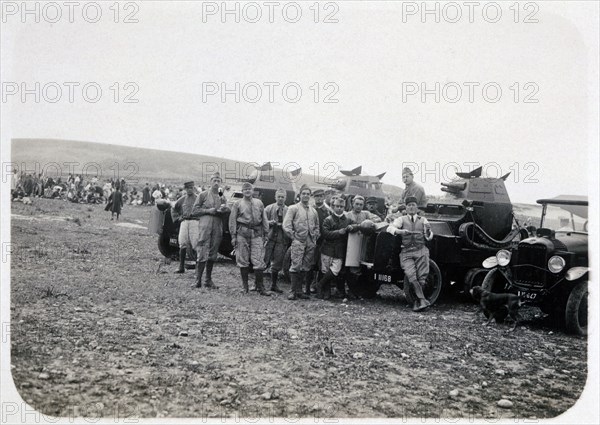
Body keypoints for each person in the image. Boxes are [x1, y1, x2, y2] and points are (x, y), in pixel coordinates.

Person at [387, 196, 434, 312]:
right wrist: (399, 231)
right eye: (409, 205)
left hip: (421, 251)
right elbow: (389, 228)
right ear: (406, 208)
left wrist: (428, 232)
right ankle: (422, 300)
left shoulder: (423, 220)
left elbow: (429, 236)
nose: (411, 207)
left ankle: (417, 302)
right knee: (411, 275)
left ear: (417, 207)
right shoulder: (401, 219)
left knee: (422, 278)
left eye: (413, 205)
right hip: (406, 252)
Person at [229, 182, 271, 296]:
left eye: (249, 189)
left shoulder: (259, 203)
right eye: (245, 189)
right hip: (242, 233)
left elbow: (264, 219)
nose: (247, 191)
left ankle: (260, 286)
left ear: (253, 191)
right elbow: (232, 220)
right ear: (242, 191)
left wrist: (266, 233)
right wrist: (233, 236)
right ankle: (245, 287)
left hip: (257, 233)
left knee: (258, 260)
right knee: (243, 260)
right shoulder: (238, 204)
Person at [191, 172, 230, 289]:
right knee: (202, 249)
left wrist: (225, 209)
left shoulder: (221, 195)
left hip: (217, 225)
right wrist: (208, 211)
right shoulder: (203, 195)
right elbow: (194, 211)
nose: (216, 183)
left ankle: (208, 280)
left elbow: (226, 208)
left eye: (219, 181)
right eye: (214, 180)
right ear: (210, 181)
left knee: (213, 251)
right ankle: (198, 280)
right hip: (205, 224)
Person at [282, 184, 320, 300]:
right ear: (300, 195)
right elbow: (286, 225)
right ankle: (292, 291)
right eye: (304, 194)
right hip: (298, 240)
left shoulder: (313, 211)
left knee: (306, 266)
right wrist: (293, 237)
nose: (306, 196)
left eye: (308, 194)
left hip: (310, 241)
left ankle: (299, 291)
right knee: (296, 265)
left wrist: (315, 237)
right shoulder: (293, 208)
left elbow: (317, 225)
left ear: (310, 196)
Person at [343, 195, 382, 298]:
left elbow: (378, 220)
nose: (359, 206)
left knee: (361, 267)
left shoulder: (366, 214)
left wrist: (367, 224)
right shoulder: (347, 215)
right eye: (357, 204)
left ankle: (360, 291)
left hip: (363, 244)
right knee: (351, 267)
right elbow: (347, 227)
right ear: (352, 203)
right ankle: (350, 290)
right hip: (349, 244)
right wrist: (360, 226)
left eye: (361, 204)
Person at [316, 197, 352, 300]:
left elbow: (355, 225)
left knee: (335, 270)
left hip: (339, 251)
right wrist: (338, 232)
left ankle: (320, 284)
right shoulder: (328, 219)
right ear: (333, 206)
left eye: (341, 207)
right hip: (327, 249)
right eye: (337, 206)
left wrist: (353, 227)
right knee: (325, 270)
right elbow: (325, 233)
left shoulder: (347, 220)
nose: (339, 209)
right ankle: (326, 292)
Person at [263, 188, 290, 293]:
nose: (280, 199)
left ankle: (274, 285)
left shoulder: (288, 210)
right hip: (269, 238)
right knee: (264, 260)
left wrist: (284, 226)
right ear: (275, 197)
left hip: (281, 239)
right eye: (278, 196)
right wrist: (270, 222)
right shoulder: (269, 208)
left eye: (282, 197)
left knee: (277, 263)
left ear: (285, 198)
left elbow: (290, 223)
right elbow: (263, 220)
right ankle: (258, 284)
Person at [306, 188, 330, 295]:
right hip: (312, 240)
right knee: (310, 263)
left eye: (321, 196)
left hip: (323, 241)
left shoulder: (328, 211)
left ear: (324, 197)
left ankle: (317, 285)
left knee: (321, 265)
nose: (319, 199)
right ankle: (308, 285)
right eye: (316, 196)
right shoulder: (310, 209)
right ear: (313, 198)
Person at [171, 181, 198, 274]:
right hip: (184, 221)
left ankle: (198, 269)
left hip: (195, 221)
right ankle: (181, 267)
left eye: (191, 188)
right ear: (185, 189)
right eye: (187, 188)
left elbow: (204, 209)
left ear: (194, 188)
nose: (189, 190)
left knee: (196, 243)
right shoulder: (182, 199)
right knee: (182, 243)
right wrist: (178, 218)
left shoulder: (198, 199)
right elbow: (174, 209)